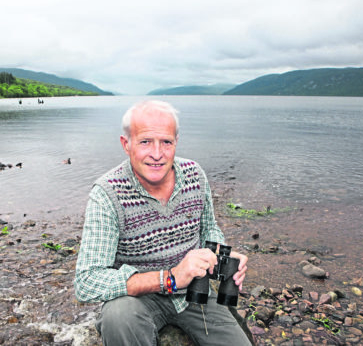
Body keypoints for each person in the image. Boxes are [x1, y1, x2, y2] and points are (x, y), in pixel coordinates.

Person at [74, 100, 251, 345]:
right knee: (118, 315)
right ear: (127, 144)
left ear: (176, 142)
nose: (157, 154)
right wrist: (169, 278)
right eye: (145, 141)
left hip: (195, 294)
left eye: (166, 142)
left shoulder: (194, 174)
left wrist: (222, 255)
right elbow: (87, 281)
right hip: (139, 300)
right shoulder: (107, 194)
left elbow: (209, 229)